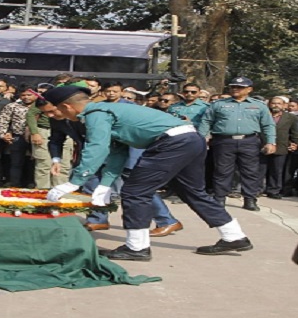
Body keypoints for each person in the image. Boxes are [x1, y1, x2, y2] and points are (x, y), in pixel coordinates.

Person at [43, 86, 253, 261]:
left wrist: (75, 182)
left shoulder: (94, 114)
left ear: (67, 106)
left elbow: (96, 147)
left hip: (172, 143)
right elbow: (118, 151)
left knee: (135, 192)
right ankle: (234, 236)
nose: (61, 117)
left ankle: (136, 248)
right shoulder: (107, 110)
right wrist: (105, 184)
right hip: (190, 139)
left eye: (57, 112)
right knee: (192, 191)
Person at [198, 77, 276, 211]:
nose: (235, 89)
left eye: (239, 87)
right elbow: (206, 121)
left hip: (249, 141)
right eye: (233, 86)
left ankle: (250, 199)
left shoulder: (259, 105)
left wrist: (271, 142)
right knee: (222, 171)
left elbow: (268, 125)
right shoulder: (218, 104)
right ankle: (219, 198)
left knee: (250, 172)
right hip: (224, 141)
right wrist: (202, 138)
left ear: (249, 89)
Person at [0, 87, 38, 187]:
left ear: (36, 95)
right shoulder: (12, 106)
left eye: (29, 95)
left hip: (37, 137)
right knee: (16, 162)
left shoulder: (41, 106)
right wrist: (3, 134)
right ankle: (14, 184)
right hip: (18, 136)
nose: (26, 97)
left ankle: (33, 183)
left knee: (36, 161)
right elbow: (4, 120)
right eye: (23, 95)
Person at [259, 96, 298, 199]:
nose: (276, 105)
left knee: (277, 170)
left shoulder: (291, 118)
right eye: (273, 103)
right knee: (260, 170)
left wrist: (295, 143)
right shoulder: (262, 115)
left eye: (279, 103)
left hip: (281, 147)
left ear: (284, 105)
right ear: (269, 104)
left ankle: (274, 190)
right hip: (262, 146)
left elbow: (294, 133)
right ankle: (257, 190)